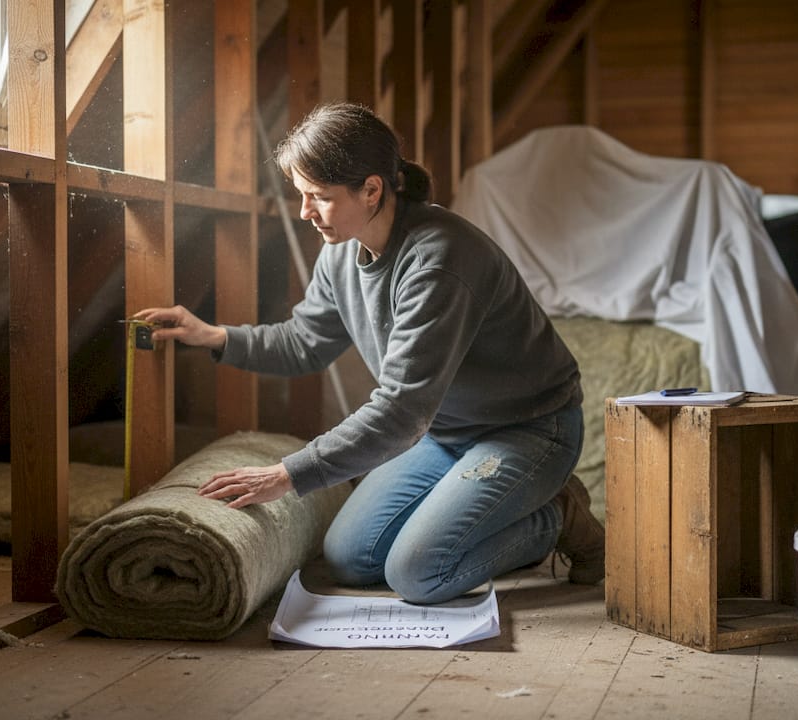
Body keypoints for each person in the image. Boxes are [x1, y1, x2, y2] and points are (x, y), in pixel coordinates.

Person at [134, 102, 602, 605]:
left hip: (526, 430)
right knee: (349, 559)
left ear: (372, 189)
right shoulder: (340, 251)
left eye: (319, 197)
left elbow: (401, 411)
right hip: (443, 432)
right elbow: (304, 343)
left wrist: (285, 475)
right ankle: (504, 506)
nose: (305, 212)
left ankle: (557, 515)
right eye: (302, 195)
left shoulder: (438, 260)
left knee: (419, 573)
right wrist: (215, 336)